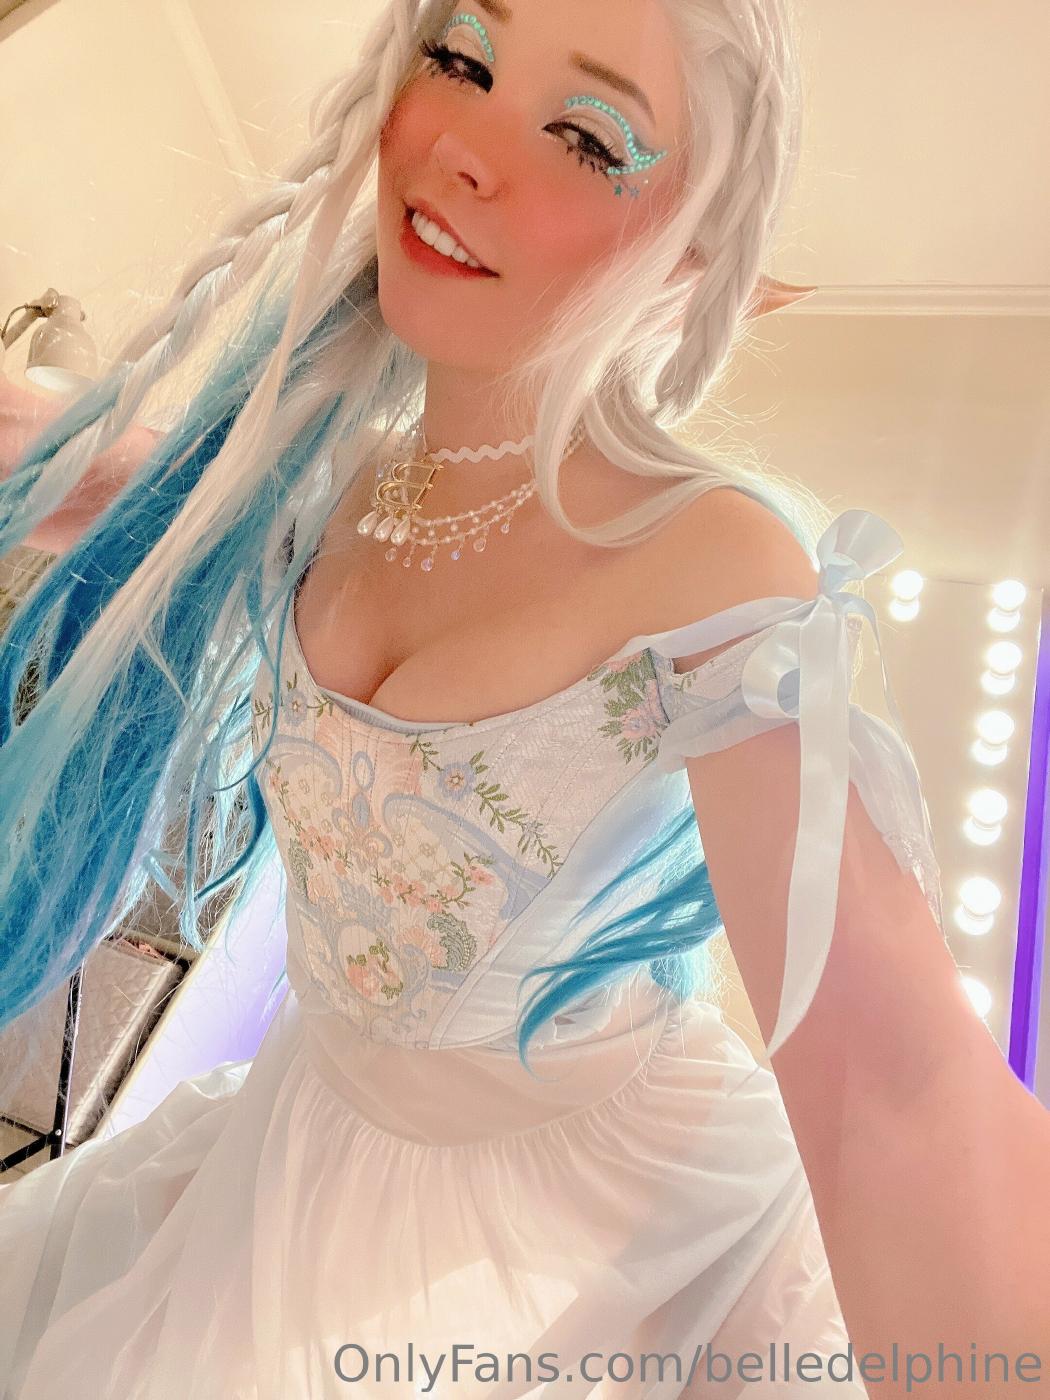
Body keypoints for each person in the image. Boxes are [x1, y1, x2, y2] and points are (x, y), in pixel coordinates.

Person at [0, 0, 1047, 1396]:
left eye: (586, 136)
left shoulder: (707, 560)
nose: (468, 149)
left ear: (688, 249)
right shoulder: (330, 483)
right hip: (287, 1151)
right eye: (461, 59)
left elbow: (896, 1091)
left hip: (566, 1244)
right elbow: (86, 472)